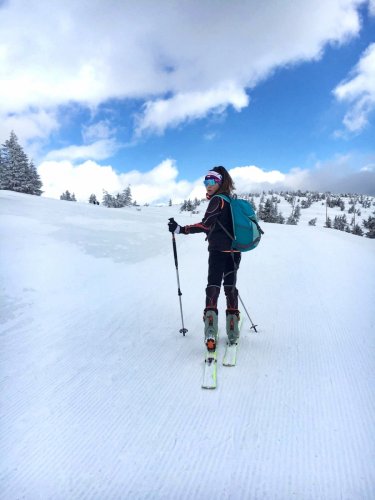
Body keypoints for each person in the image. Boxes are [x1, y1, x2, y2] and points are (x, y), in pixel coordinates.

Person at [168, 166, 241, 351]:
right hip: (234, 252)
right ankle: (232, 330)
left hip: (217, 251)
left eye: (212, 181)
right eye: (206, 182)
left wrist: (181, 229)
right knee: (230, 286)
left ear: (220, 182)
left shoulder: (217, 201)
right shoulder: (230, 200)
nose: (208, 185)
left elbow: (206, 225)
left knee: (213, 286)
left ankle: (210, 330)